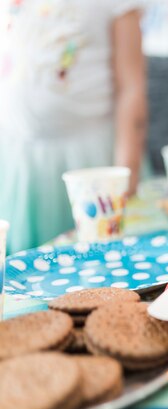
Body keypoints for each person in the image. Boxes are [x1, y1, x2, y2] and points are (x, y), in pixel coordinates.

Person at [0, 0, 146, 253]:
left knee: (96, 254)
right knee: (24, 259)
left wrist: (128, 167)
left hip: (90, 157)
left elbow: (131, 86)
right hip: (19, 159)